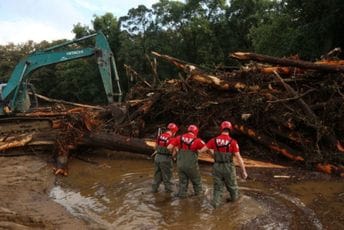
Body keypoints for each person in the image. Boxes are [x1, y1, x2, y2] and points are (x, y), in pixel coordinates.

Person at [205, 121, 248, 208]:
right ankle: (235, 207)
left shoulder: (214, 140)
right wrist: (243, 171)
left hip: (217, 166)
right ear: (230, 129)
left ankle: (215, 207)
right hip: (228, 167)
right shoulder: (233, 142)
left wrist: (213, 155)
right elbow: (238, 158)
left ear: (221, 129)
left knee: (217, 188)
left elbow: (204, 149)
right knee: (232, 187)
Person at [168, 124, 206, 198]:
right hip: (191, 166)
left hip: (180, 165)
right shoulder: (197, 140)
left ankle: (182, 198)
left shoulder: (179, 138)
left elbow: (169, 147)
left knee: (182, 183)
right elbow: (207, 148)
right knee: (196, 182)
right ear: (195, 132)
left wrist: (175, 152)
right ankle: (199, 198)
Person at [152, 122, 179, 193]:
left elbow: (155, 147)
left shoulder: (160, 136)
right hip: (166, 159)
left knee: (157, 176)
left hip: (157, 157)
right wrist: (174, 157)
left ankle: (153, 190)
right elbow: (172, 151)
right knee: (167, 177)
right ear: (174, 131)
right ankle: (169, 195)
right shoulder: (172, 139)